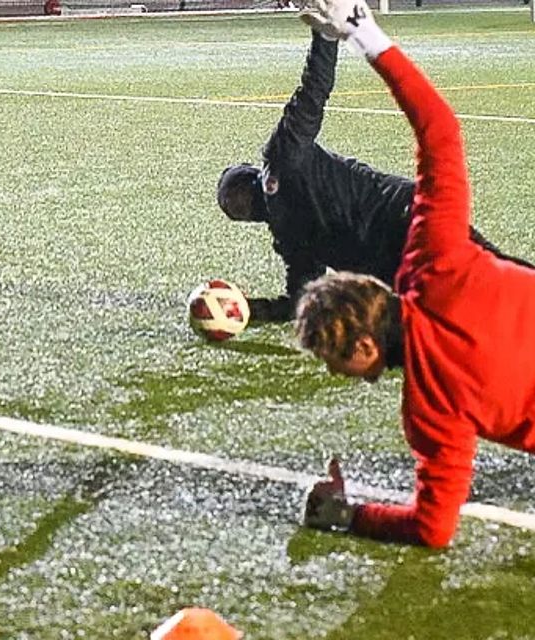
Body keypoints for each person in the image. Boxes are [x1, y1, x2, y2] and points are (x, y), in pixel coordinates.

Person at [295, 0, 535, 548]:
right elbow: (440, 131)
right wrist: (365, 33)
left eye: (334, 361)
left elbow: (433, 529)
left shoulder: (430, 410)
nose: (337, 375)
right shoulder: (436, 256)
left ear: (362, 345)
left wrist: (348, 515)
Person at [216, 26, 527, 322]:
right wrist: (325, 35)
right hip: (405, 216)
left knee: (476, 306)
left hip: (394, 266)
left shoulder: (290, 237)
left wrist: (250, 309)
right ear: (252, 173)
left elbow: (301, 301)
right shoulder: (282, 159)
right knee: (500, 280)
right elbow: (313, 92)